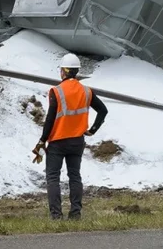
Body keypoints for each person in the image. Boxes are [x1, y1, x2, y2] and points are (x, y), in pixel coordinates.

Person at [32, 53, 108, 220]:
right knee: (75, 176)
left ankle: (57, 216)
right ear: (76, 71)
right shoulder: (86, 91)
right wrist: (93, 130)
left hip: (58, 142)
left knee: (53, 177)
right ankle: (75, 214)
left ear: (63, 72)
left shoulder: (56, 91)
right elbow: (103, 110)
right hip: (77, 142)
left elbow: (50, 118)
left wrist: (42, 141)